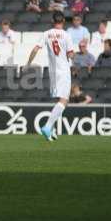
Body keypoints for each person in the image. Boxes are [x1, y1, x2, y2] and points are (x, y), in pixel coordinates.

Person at [27, 12, 74, 141]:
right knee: (64, 100)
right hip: (63, 71)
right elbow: (70, 54)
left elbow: (36, 49)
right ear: (63, 20)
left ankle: (51, 128)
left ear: (53, 20)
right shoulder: (66, 35)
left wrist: (28, 63)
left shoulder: (46, 33)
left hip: (52, 72)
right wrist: (75, 60)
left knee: (59, 99)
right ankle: (47, 126)